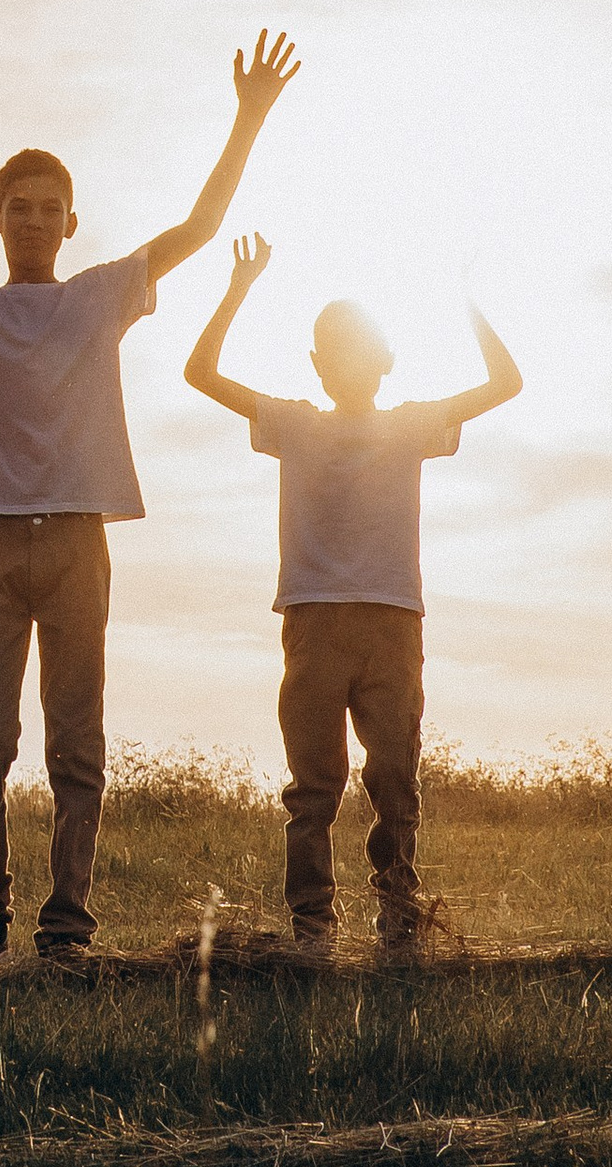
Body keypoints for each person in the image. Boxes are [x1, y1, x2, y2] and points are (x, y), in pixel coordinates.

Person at [0, 23, 299, 969]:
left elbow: (199, 227)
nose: (32, 220)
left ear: (70, 222)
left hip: (77, 542)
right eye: (16, 206)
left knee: (76, 746)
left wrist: (248, 117)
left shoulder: (100, 296)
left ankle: (67, 925)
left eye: (49, 208)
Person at [185, 239, 522, 962]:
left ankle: (397, 917)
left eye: (361, 347)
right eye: (331, 349)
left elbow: (506, 382)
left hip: (391, 619)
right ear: (316, 364)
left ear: (387, 359)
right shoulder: (293, 421)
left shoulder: (410, 422)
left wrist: (470, 302)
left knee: (396, 777)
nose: (346, 360)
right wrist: (240, 285)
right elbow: (199, 372)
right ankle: (314, 928)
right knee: (314, 788)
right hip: (312, 618)